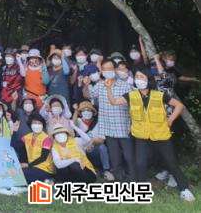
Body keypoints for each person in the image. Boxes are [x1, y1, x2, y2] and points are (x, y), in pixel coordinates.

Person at [105, 69, 195, 201]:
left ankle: (184, 189)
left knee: (171, 163)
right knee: (140, 163)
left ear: (148, 79)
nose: (138, 79)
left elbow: (179, 106)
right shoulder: (131, 95)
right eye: (136, 77)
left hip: (161, 135)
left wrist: (171, 119)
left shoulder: (159, 95)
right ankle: (141, 191)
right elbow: (114, 102)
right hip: (141, 136)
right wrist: (109, 89)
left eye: (141, 77)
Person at [83, 59, 134, 182]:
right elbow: (88, 95)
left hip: (123, 127)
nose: (107, 71)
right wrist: (85, 85)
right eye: (104, 69)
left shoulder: (126, 86)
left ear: (115, 70)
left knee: (129, 156)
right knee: (115, 158)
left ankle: (134, 180)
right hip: (108, 128)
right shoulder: (100, 85)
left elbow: (133, 106)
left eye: (110, 68)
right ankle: (120, 181)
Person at [72, 100, 113, 181]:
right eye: (84, 110)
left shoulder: (98, 123)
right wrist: (76, 111)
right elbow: (73, 124)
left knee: (102, 147)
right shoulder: (79, 121)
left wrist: (92, 142)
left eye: (89, 110)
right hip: (82, 150)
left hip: (94, 149)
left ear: (93, 112)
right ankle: (83, 170)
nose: (86, 112)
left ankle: (106, 170)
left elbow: (101, 140)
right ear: (81, 113)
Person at [17, 113, 55, 184]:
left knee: (21, 173)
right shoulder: (28, 136)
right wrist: (14, 131)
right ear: (30, 125)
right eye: (35, 123)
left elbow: (43, 157)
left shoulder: (46, 139)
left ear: (43, 125)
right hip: (33, 167)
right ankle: (44, 181)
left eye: (39, 123)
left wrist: (28, 165)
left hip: (45, 169)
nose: (37, 125)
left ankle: (45, 180)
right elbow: (15, 145)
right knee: (18, 173)